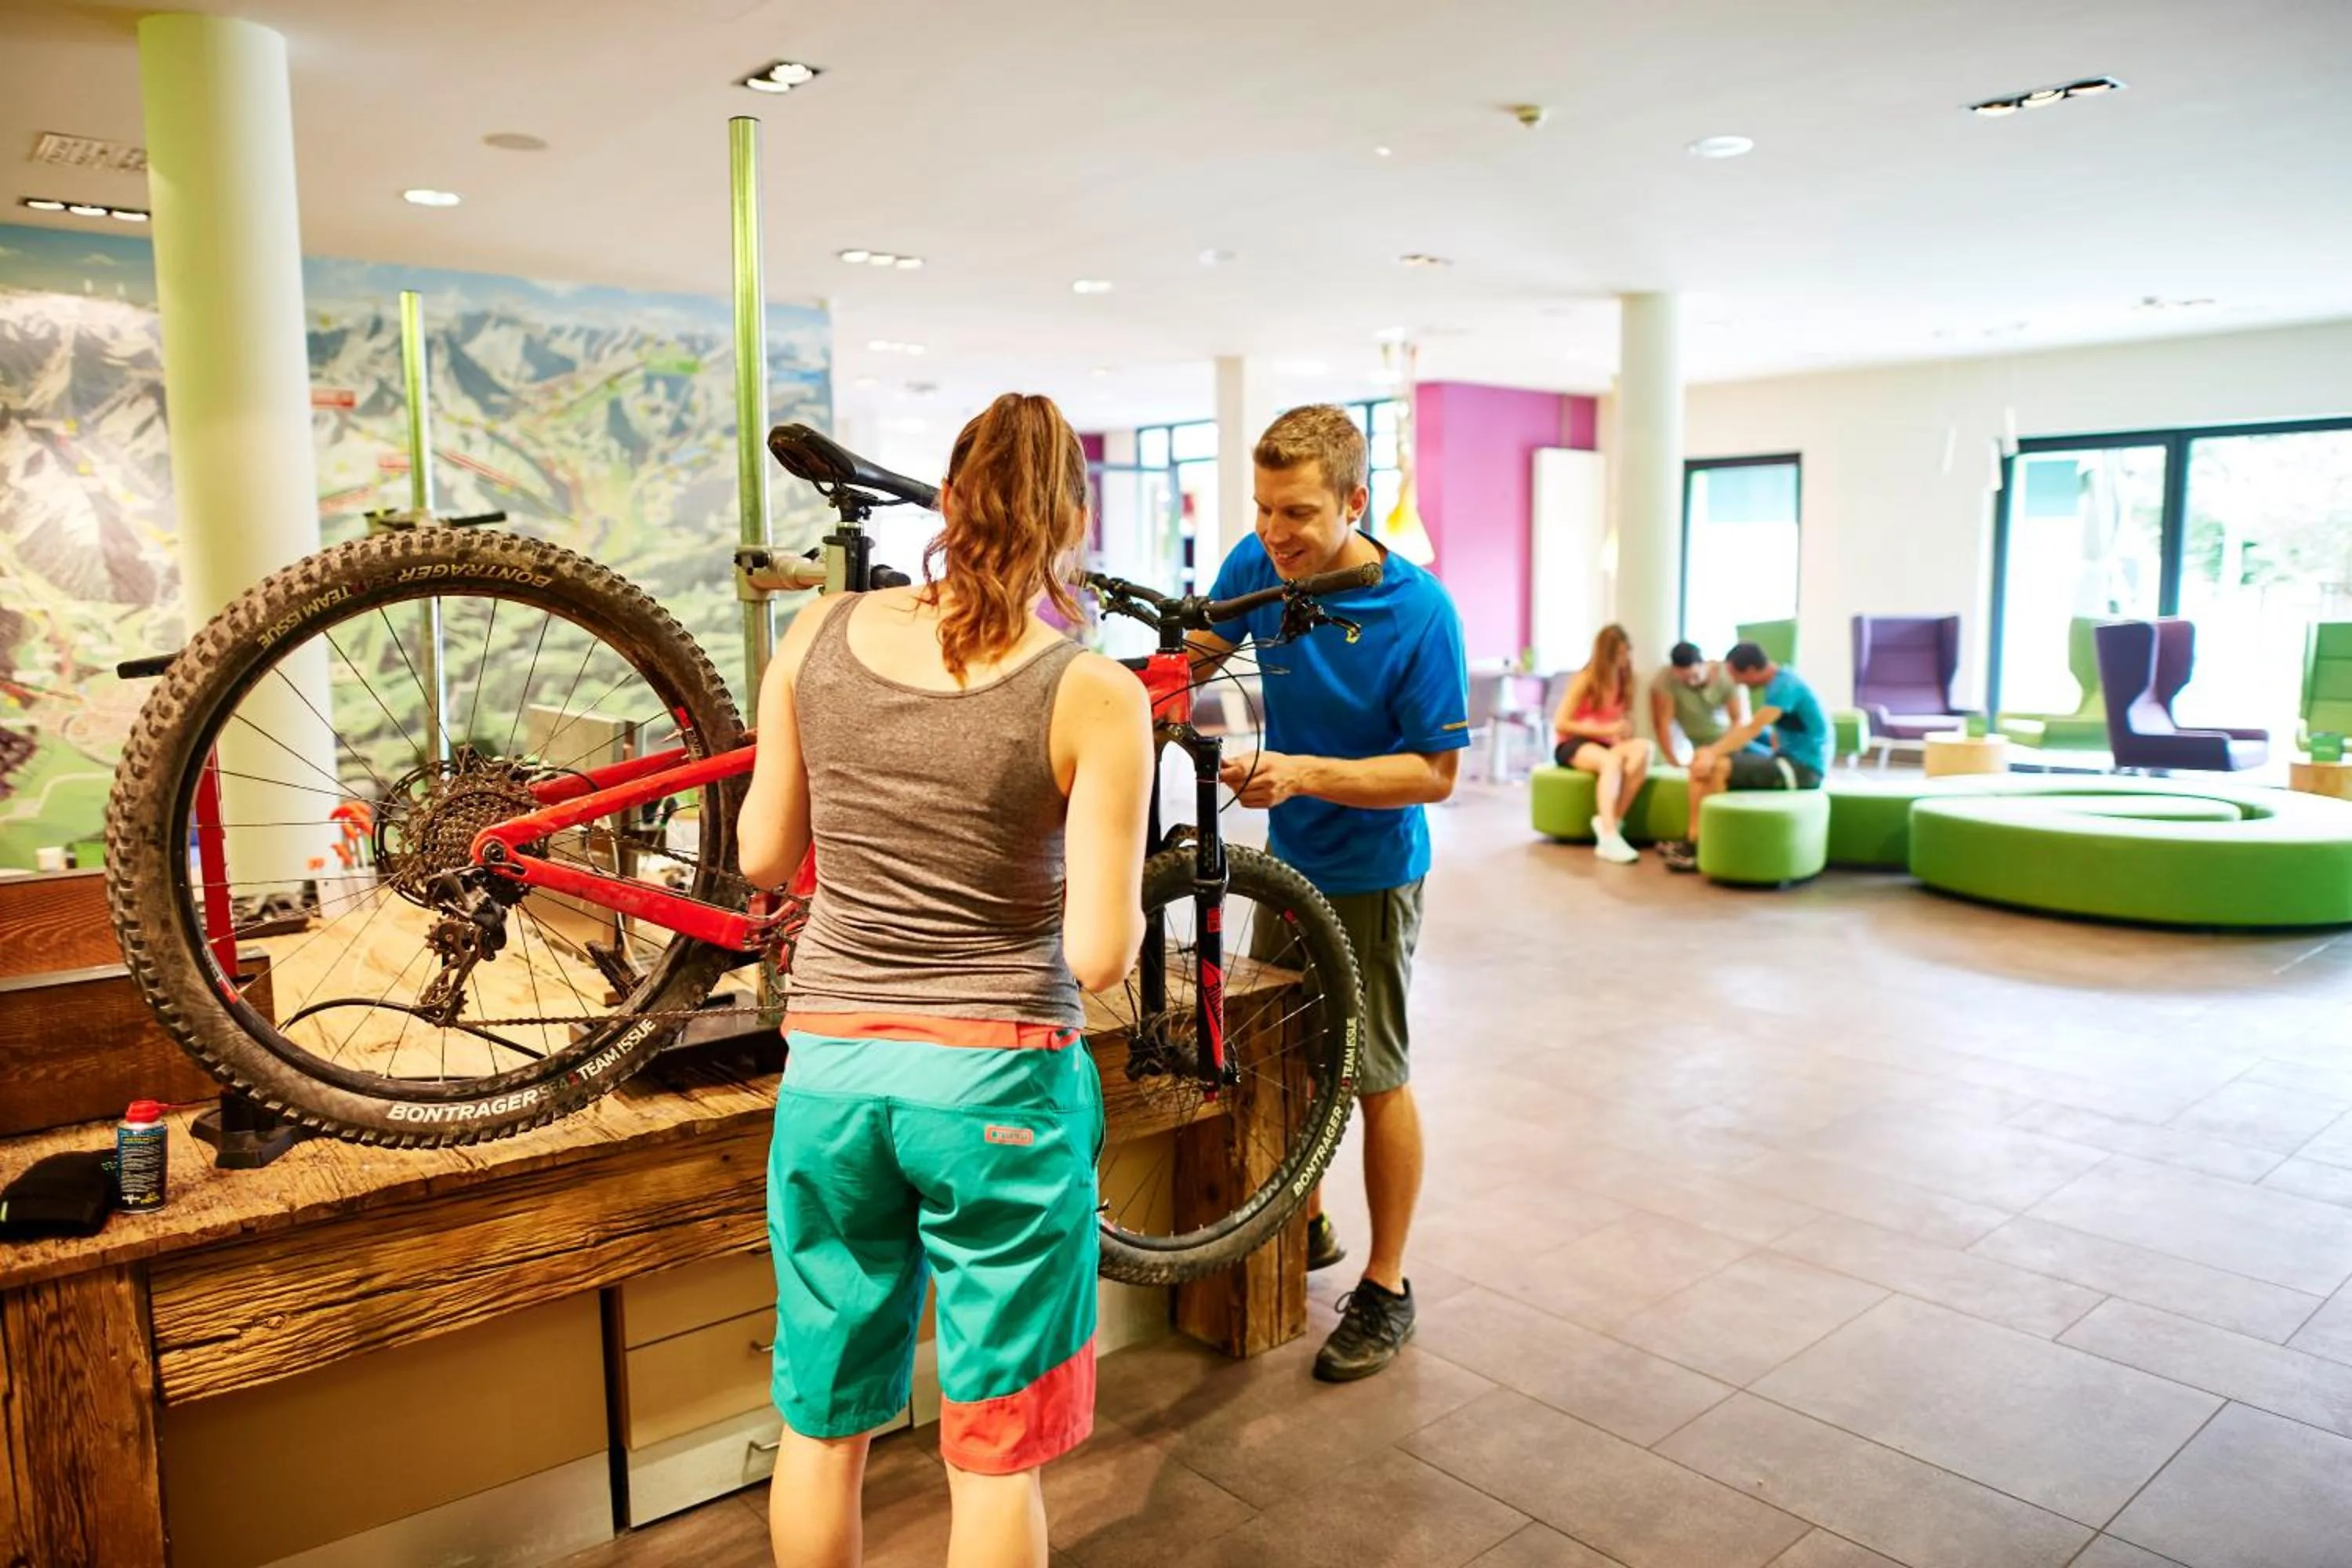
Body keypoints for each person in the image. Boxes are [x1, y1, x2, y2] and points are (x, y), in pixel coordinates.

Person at [736, 393, 1154, 1568]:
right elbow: (1099, 958)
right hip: (994, 1092)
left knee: (820, 1423)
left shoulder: (814, 635)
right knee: (991, 1448)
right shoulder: (1093, 691)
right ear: (1070, 522)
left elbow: (766, 858)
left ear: (949, 501)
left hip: (829, 1078)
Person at [1189, 404, 1468, 1384]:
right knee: (1288, 1060)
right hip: (1291, 859)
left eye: (1298, 512)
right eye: (1263, 509)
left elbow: (1436, 774)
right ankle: (1304, 1225)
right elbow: (1209, 673)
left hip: (1373, 873)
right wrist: (1238, 745)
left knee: (1371, 1070)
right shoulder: (1252, 568)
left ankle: (1388, 1287)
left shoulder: (1421, 611)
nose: (1275, 533)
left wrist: (1303, 772)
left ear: (1355, 502)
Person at [1661, 639, 1828, 873]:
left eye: (1736, 676)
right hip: (1788, 760)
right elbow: (1774, 735)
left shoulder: (1784, 686)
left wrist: (1711, 751)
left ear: (1750, 671)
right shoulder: (1780, 681)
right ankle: (1695, 839)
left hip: (1803, 770)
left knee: (1716, 766)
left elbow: (1752, 729)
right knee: (1707, 762)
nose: (1735, 682)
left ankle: (1700, 845)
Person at [1552, 624, 1653, 864]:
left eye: (1626, 652)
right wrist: (1605, 729)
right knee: (1612, 761)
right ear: (1605, 654)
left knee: (1645, 749)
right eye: (1619, 654)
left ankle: (1611, 823)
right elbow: (1561, 722)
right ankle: (1608, 835)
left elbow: (1623, 721)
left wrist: (1624, 730)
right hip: (1574, 744)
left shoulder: (1626, 680)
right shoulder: (1585, 679)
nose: (1624, 659)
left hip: (1606, 744)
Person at [1647, 641, 1748, 768]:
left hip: (1729, 739)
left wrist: (1722, 749)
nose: (1691, 682)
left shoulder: (1725, 675)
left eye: (1694, 676)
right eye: (1684, 679)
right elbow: (1663, 723)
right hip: (1700, 744)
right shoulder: (1665, 680)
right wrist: (1673, 761)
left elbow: (1737, 720)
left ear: (1703, 665)